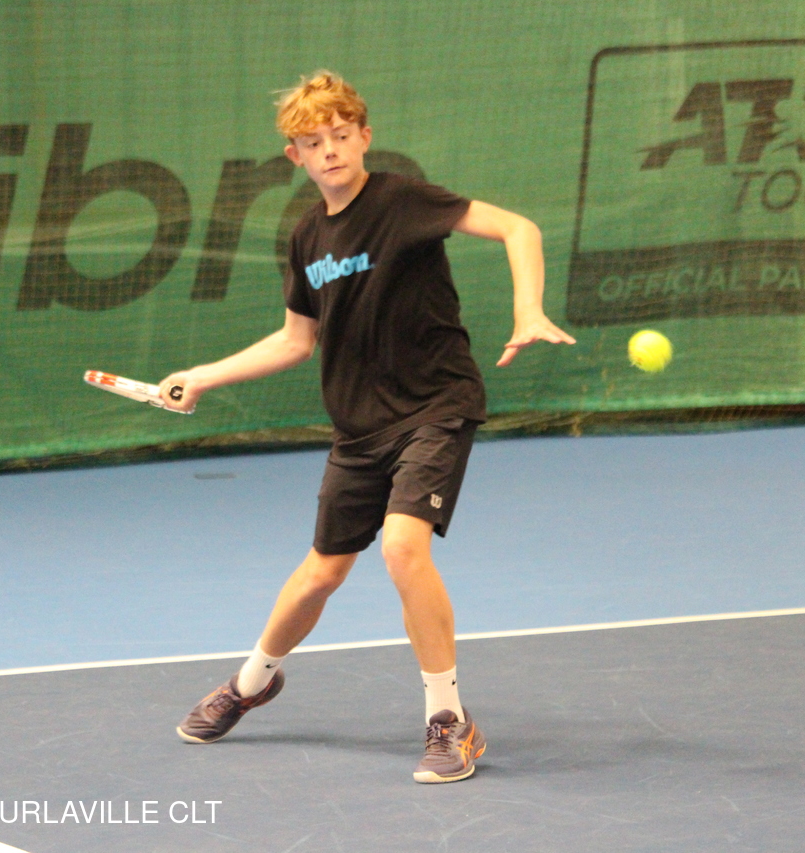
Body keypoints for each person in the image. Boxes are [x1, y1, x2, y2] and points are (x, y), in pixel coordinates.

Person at [159, 70, 574, 783]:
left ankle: (448, 720)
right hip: (358, 427)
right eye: (314, 142)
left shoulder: (403, 201)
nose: (330, 150)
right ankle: (251, 683)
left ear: (364, 137)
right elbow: (295, 340)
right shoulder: (306, 238)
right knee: (321, 573)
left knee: (403, 549)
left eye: (341, 135)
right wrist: (203, 375)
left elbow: (518, 227)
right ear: (295, 156)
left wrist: (528, 309)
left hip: (435, 404)